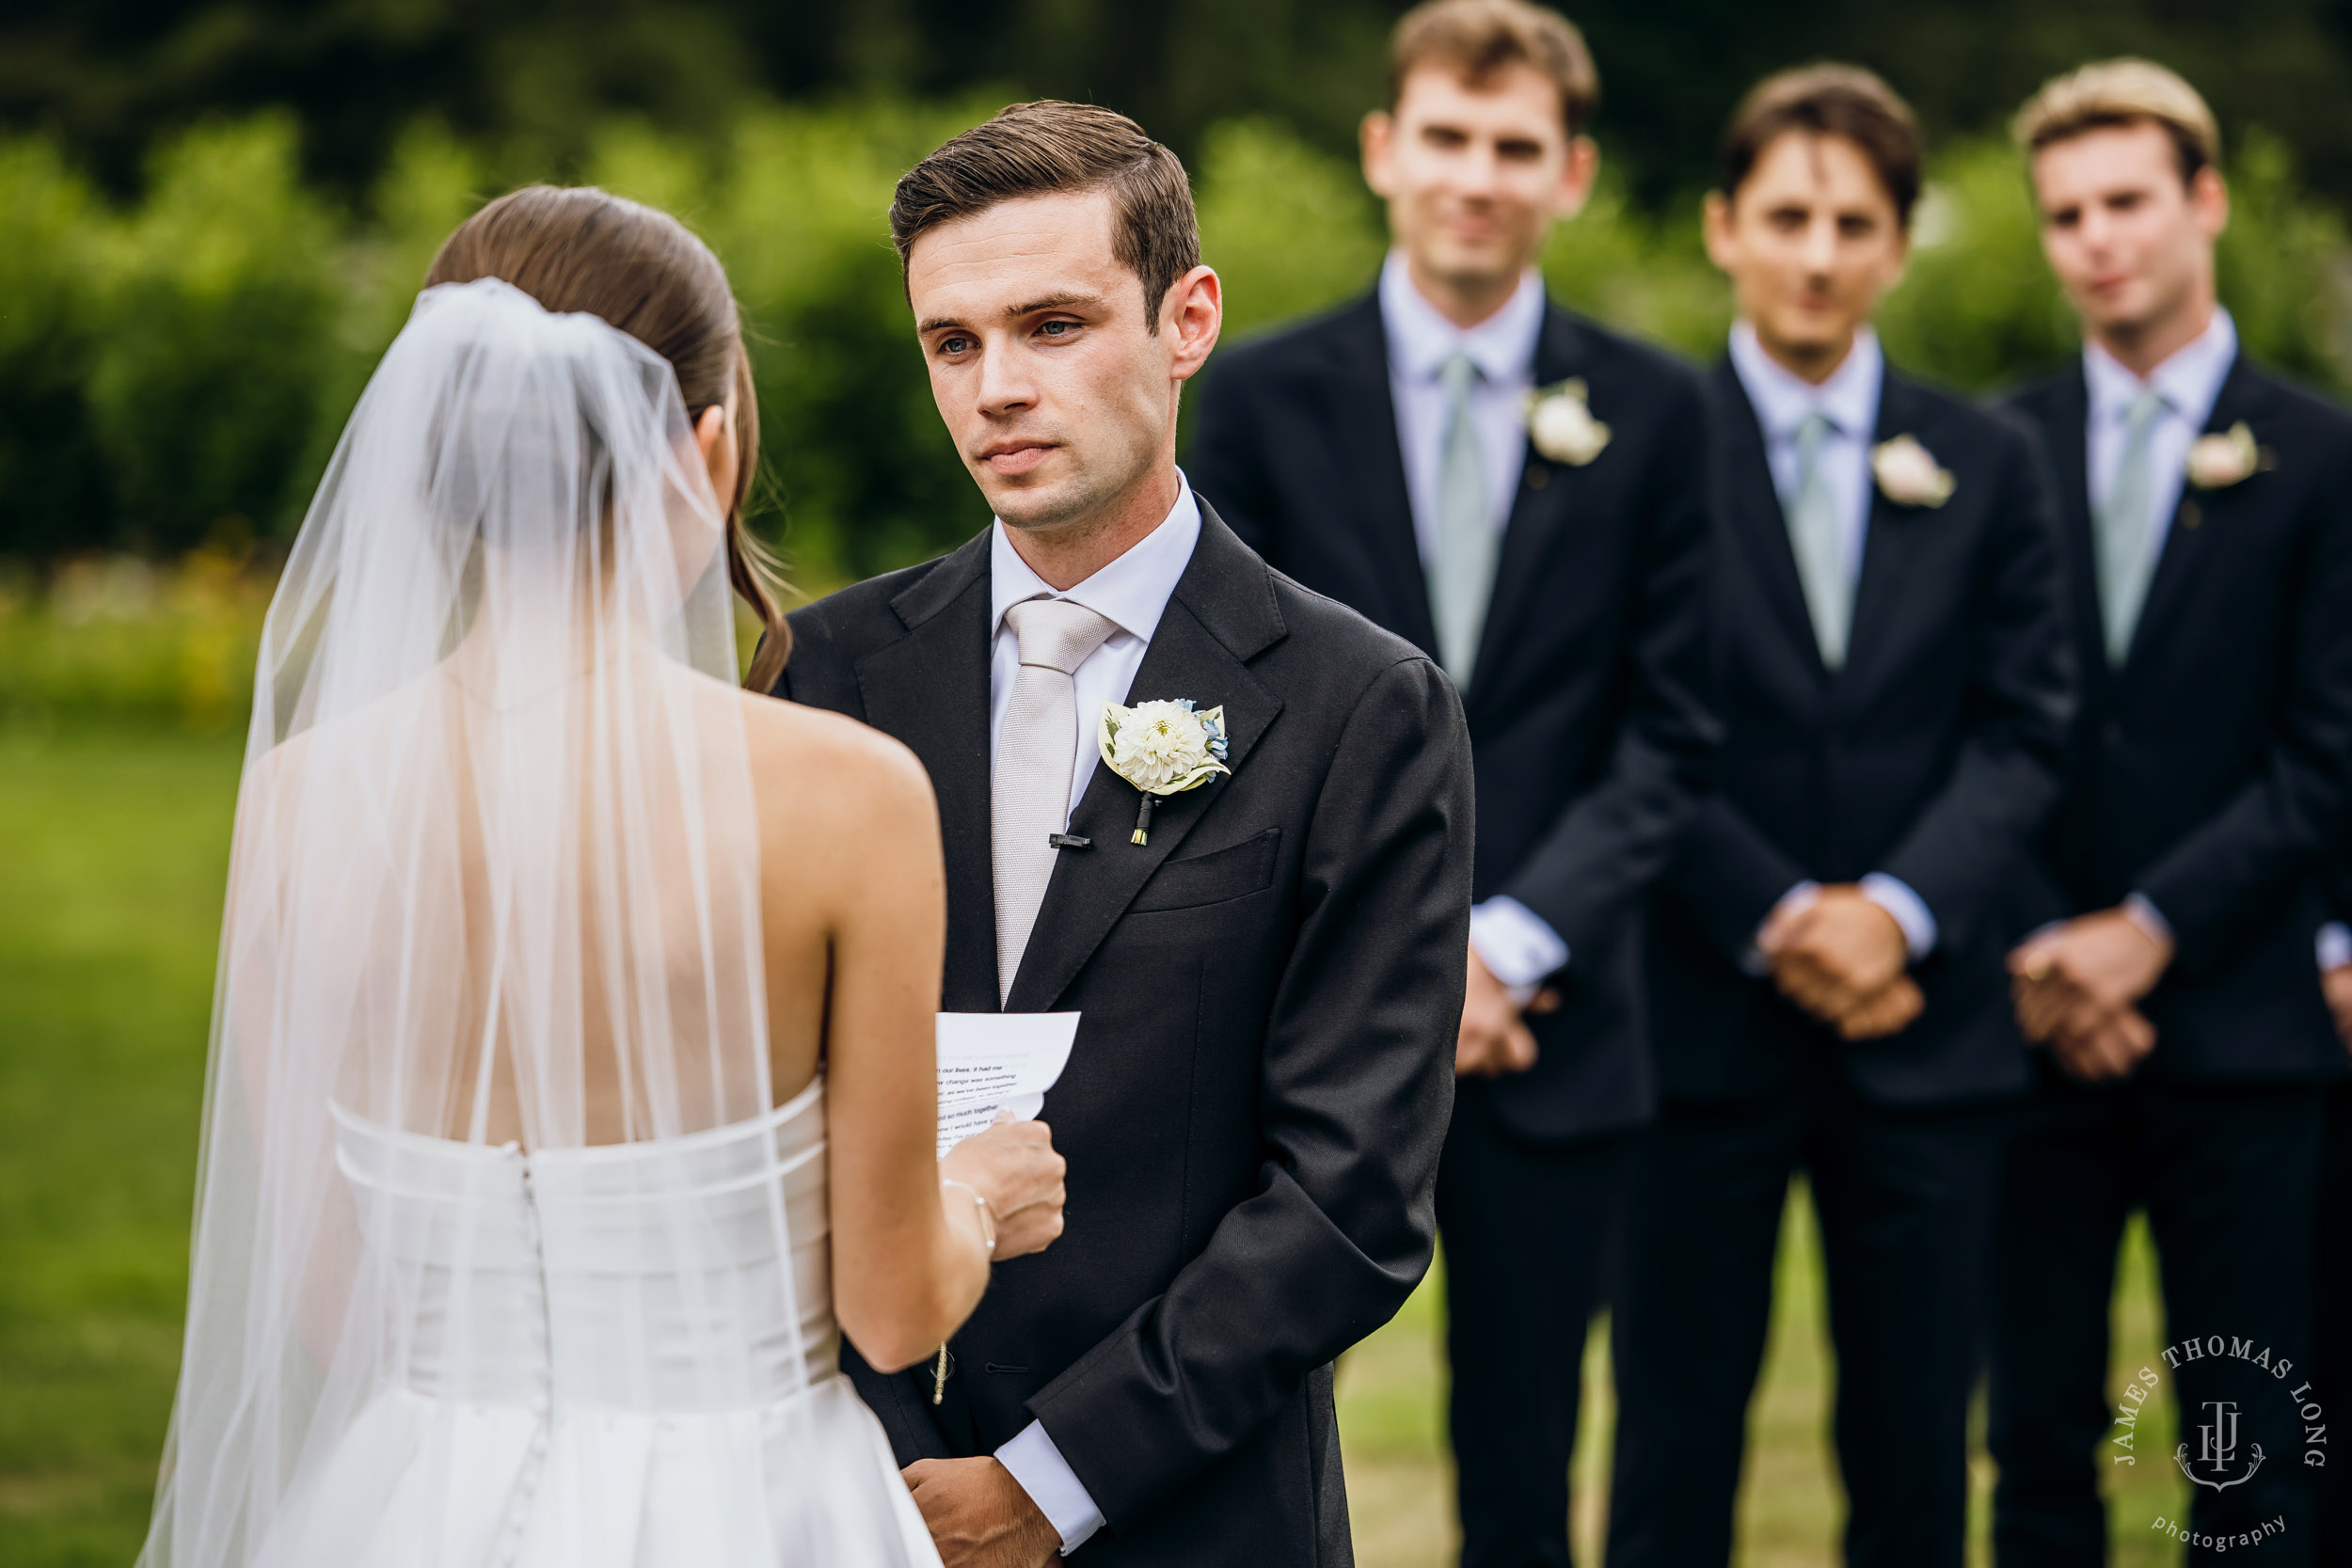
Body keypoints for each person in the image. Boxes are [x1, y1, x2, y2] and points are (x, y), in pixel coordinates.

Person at [135, 186, 1067, 1568]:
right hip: (745, 1507)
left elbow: (333, 1303)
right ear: (709, 450)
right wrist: (981, 1195)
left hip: (418, 1499)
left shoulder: (297, 804)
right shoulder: (841, 799)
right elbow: (889, 1308)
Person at [774, 102, 1475, 1566]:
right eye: (953, 344)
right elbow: (761, 1112)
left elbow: (1350, 1196)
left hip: (1195, 1509)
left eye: (1052, 325)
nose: (997, 390)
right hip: (847, 1496)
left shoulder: (1361, 705)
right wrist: (897, 1468)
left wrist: (1049, 1482)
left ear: (1188, 318)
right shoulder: (819, 674)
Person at [1186, 5, 1715, 1559]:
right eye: (1446, 139)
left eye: (1512, 147)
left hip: (1559, 1020)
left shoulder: (1662, 409)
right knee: (1255, 1414)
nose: (1474, 176)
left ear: (1572, 172)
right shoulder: (1271, 395)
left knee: (1528, 1435)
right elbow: (1243, 698)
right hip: (1319, 1014)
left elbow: (1675, 727)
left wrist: (1509, 945)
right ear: (1383, 152)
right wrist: (1412, 952)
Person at [1600, 68, 2074, 1568]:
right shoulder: (1633, 447)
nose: (1817, 252)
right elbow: (1620, 714)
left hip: (1924, 1030)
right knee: (1672, 1436)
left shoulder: (1990, 460)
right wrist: (1778, 912)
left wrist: (1894, 913)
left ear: (1898, 241)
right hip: (1694, 1025)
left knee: (1920, 1441)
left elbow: (2026, 725)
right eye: (1787, 216)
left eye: (1853, 222)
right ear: (1723, 226)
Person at [1990, 60, 2352, 1565]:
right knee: (2033, 1454)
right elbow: (1959, 730)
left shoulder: (2326, 456)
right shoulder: (1988, 448)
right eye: (2067, 212)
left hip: (2246, 1032)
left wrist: (2148, 933)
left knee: (2257, 1458)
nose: (2098, 239)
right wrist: (2042, 947)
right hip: (2026, 1029)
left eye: (2128, 200)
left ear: (2204, 201)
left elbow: (2330, 751)